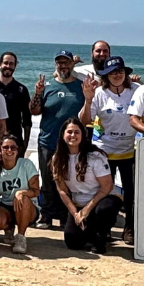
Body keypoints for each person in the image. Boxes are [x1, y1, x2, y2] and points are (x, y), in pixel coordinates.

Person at [78, 56, 139, 244]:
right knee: (105, 192)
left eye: (120, 71)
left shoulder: (137, 91)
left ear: (126, 73)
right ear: (105, 75)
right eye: (112, 72)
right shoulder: (99, 93)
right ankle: (104, 229)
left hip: (130, 150)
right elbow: (84, 121)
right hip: (105, 152)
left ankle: (129, 227)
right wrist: (88, 100)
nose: (117, 75)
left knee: (131, 193)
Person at [30, 50, 85, 229]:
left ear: (72, 64)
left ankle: (64, 215)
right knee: (47, 179)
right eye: (60, 63)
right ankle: (46, 215)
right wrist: (37, 93)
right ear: (56, 65)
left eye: (66, 62)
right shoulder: (48, 87)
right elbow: (34, 111)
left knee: (68, 179)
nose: (63, 66)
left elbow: (87, 115)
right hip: (48, 140)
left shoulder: (81, 86)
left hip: (72, 144)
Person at [51, 118, 122, 254]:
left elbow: (106, 187)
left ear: (83, 135)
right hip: (79, 202)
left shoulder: (95, 156)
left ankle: (100, 236)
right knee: (73, 242)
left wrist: (87, 210)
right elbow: (62, 191)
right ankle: (90, 232)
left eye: (77, 132)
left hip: (103, 198)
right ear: (62, 135)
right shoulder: (57, 159)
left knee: (105, 209)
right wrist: (75, 213)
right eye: (69, 132)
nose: (73, 136)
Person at [0, 134, 40, 254]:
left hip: (28, 207)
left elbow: (36, 191)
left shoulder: (26, 164)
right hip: (7, 205)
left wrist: (21, 192)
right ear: (0, 150)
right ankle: (9, 227)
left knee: (23, 199)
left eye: (13, 147)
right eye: (6, 147)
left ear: (17, 150)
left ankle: (20, 236)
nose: (9, 150)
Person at [0, 52, 33, 158]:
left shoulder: (21, 89)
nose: (8, 66)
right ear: (0, 64)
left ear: (15, 66)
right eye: (6, 63)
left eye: (11, 64)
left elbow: (27, 119)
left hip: (15, 142)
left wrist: (25, 143)